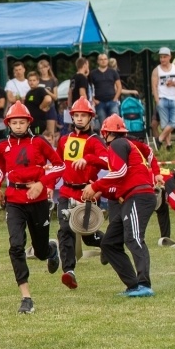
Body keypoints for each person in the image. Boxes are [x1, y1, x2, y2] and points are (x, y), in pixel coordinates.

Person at [0, 102, 64, 314]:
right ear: (8, 124)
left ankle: (50, 250)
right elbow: (1, 167)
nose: (18, 126)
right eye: (14, 122)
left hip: (38, 200)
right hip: (14, 200)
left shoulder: (39, 142)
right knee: (16, 245)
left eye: (22, 122)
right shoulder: (3, 145)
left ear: (28, 122)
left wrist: (43, 183)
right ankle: (26, 297)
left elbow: (59, 165)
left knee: (40, 252)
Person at [82, 114, 157, 297]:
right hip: (133, 195)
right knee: (109, 243)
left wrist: (96, 185)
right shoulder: (124, 145)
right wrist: (103, 191)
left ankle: (144, 284)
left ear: (106, 133)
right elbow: (122, 180)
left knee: (134, 238)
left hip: (137, 197)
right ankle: (133, 285)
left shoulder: (116, 144)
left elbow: (121, 172)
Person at [55, 97, 109, 289]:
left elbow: (107, 160)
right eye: (76, 115)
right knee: (65, 229)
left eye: (83, 115)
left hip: (86, 193)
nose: (79, 119)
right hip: (66, 190)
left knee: (89, 236)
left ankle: (109, 245)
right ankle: (69, 271)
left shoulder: (95, 141)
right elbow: (57, 164)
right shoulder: (63, 140)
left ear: (90, 118)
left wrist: (88, 159)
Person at [151, 47, 175, 150]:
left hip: (174, 98)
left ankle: (159, 139)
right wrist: (157, 101)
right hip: (162, 98)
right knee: (165, 124)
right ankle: (168, 145)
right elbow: (154, 86)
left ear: (170, 57)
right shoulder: (156, 70)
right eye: (161, 57)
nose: (162, 59)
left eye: (164, 57)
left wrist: (174, 83)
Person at [89, 53, 122, 123]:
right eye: (101, 59)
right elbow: (89, 88)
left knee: (115, 123)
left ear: (107, 61)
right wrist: (93, 100)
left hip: (112, 101)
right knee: (103, 125)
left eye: (105, 59)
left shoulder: (113, 72)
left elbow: (119, 87)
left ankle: (114, 134)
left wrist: (115, 99)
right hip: (99, 103)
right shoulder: (92, 74)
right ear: (98, 61)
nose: (103, 61)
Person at [37, 59, 60, 142]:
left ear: (48, 68)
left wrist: (47, 91)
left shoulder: (53, 80)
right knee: (41, 132)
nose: (42, 70)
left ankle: (52, 148)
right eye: (40, 68)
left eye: (44, 67)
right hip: (40, 108)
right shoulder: (37, 80)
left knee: (51, 132)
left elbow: (55, 97)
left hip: (50, 108)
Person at [23, 71, 52, 136]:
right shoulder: (29, 93)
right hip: (31, 123)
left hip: (38, 123)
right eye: (30, 80)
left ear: (38, 81)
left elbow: (48, 99)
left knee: (37, 139)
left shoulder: (40, 90)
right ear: (27, 81)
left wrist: (41, 106)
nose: (32, 82)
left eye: (34, 80)